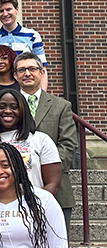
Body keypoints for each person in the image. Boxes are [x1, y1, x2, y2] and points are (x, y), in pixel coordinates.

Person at [15, 52, 78, 228]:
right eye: (22, 70)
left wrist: (46, 170)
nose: (27, 73)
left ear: (42, 72)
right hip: (13, 190)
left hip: (56, 191)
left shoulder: (61, 106)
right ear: (15, 75)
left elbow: (69, 144)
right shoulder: (6, 104)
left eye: (32, 69)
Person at [0, 88, 61, 196]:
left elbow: (53, 183)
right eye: (1, 107)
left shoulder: (41, 140)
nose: (7, 111)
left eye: (14, 107)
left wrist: (35, 206)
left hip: (33, 208)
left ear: (23, 110)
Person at [0, 0, 48, 92]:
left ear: (16, 9)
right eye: (1, 11)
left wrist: (42, 96)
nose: (5, 14)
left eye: (8, 9)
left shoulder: (32, 35)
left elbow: (42, 69)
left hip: (26, 88)